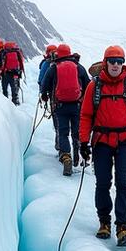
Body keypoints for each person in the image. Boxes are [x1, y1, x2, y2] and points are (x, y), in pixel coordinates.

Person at [78, 45, 126, 247]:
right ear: (105, 62)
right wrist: (83, 141)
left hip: (125, 141)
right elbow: (85, 115)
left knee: (123, 183)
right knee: (103, 183)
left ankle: (121, 227)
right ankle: (104, 222)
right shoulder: (94, 87)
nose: (116, 65)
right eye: (112, 61)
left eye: (120, 62)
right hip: (101, 141)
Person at [41, 43, 90, 175]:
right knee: (76, 132)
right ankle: (77, 155)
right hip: (76, 105)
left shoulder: (53, 68)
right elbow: (88, 84)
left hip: (60, 106)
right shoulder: (78, 67)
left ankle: (66, 156)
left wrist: (45, 96)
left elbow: (44, 85)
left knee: (62, 132)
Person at [39, 44, 59, 150]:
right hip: (73, 100)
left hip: (54, 98)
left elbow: (41, 80)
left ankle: (60, 146)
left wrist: (43, 94)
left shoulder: (47, 64)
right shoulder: (68, 63)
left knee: (58, 122)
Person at [0, 41, 24, 106]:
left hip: (6, 73)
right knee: (14, 88)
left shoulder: (4, 52)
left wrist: (0, 72)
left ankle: (5, 102)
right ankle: (15, 102)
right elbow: (21, 62)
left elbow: (1, 64)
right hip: (15, 73)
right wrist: (20, 72)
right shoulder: (17, 52)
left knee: (5, 88)